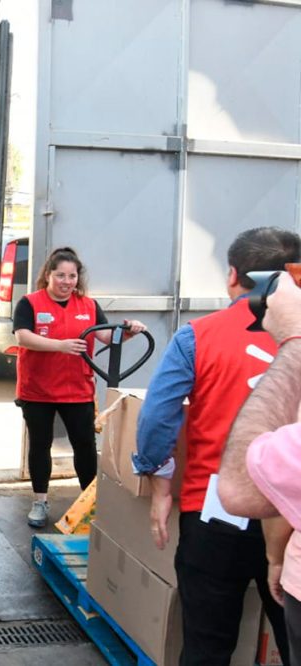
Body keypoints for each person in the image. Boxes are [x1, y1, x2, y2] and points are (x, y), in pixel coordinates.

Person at [134, 227, 299, 665]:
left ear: (233, 276)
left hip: (216, 509)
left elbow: (157, 417)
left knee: (207, 644)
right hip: (293, 514)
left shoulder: (199, 335)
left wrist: (159, 481)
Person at [14, 246, 145, 527]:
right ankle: (39, 502)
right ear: (48, 275)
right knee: (40, 446)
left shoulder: (88, 305)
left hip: (77, 389)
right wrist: (59, 346)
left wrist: (129, 331)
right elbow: (23, 337)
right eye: (60, 275)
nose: (66, 282)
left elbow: (109, 338)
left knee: (84, 447)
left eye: (72, 276)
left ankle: (92, 504)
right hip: (38, 390)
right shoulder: (30, 303)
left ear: (78, 278)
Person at [219, 271, 301, 661]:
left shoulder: (200, 334)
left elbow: (246, 487)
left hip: (218, 518)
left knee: (209, 635)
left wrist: (295, 343)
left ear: (234, 275)